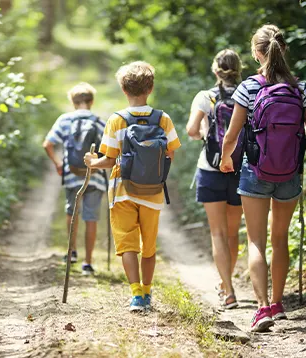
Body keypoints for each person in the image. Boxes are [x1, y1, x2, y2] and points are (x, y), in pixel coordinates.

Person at [220, 24, 306, 332]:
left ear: (256, 52)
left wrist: (226, 159)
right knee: (280, 240)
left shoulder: (249, 87)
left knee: (255, 240)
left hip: (255, 171)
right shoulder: (299, 87)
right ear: (283, 49)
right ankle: (279, 305)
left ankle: (262, 308)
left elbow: (232, 135)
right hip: (289, 173)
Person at [84, 61, 181, 312]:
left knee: (128, 244)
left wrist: (92, 163)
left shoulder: (116, 120)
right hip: (153, 192)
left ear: (123, 90)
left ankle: (136, 294)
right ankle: (148, 293)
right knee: (148, 247)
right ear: (150, 88)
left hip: (122, 191)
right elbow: (171, 153)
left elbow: (108, 159)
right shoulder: (163, 119)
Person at [186, 49, 244, 309]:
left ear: (215, 70)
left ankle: (228, 290)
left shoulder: (205, 97)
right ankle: (226, 283)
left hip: (210, 170)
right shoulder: (248, 93)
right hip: (240, 169)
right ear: (239, 68)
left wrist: (204, 134)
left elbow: (190, 130)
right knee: (233, 234)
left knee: (218, 233)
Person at [43, 82, 107, 276]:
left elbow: (48, 144)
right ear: (91, 101)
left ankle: (71, 252)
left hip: (71, 175)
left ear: (72, 102)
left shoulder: (65, 120)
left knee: (72, 212)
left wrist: (58, 164)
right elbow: (110, 149)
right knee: (91, 217)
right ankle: (87, 263)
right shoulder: (98, 121)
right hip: (94, 176)